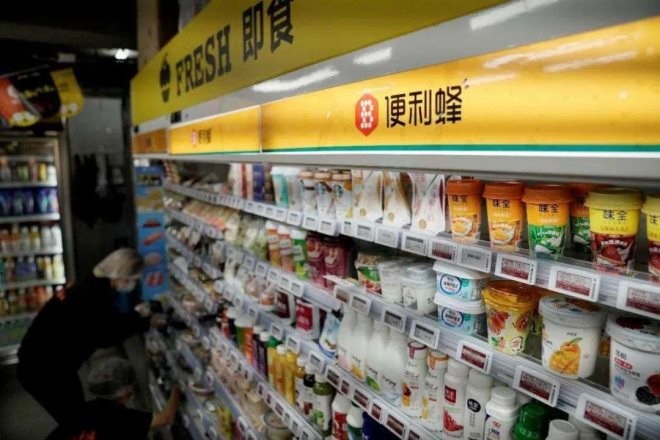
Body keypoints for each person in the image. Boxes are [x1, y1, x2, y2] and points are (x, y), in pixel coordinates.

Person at [17, 248, 159, 432]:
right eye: (134, 279)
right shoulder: (93, 297)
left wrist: (137, 313)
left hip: (47, 361)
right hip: (44, 370)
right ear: (122, 277)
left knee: (77, 413)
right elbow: (107, 334)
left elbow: (105, 322)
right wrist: (145, 321)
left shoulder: (92, 281)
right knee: (75, 421)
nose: (134, 283)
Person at [46, 357, 181, 440]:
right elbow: (166, 418)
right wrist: (177, 388)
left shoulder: (86, 408)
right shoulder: (122, 418)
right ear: (125, 395)